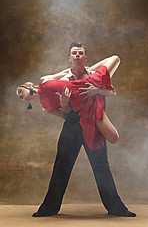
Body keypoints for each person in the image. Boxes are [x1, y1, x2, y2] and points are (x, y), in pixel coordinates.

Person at [17, 42, 136, 217]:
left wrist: (97, 90)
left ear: (85, 57)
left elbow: (112, 92)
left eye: (81, 53)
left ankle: (117, 208)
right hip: (73, 123)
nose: (78, 55)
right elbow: (64, 114)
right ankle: (49, 208)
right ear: (70, 58)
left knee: (101, 167)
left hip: (92, 123)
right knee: (61, 167)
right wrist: (65, 107)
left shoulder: (93, 75)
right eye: (75, 53)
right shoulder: (62, 80)